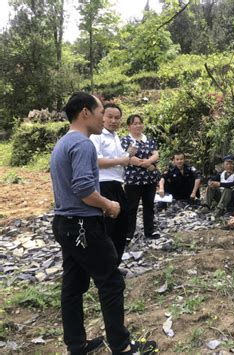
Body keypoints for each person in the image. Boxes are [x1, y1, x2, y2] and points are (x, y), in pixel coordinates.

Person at [50, 92, 156, 354]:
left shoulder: (63, 143)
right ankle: (122, 346)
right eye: (101, 113)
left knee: (73, 285)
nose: (104, 118)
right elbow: (85, 189)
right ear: (85, 112)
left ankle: (76, 345)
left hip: (64, 223)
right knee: (111, 281)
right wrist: (109, 205)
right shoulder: (84, 144)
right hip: (84, 226)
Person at [90, 103, 137, 264]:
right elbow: (96, 161)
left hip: (117, 184)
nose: (113, 121)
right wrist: (122, 159)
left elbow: (120, 162)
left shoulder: (115, 137)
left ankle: (114, 265)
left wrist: (127, 155)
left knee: (122, 225)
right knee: (108, 227)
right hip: (103, 184)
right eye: (109, 116)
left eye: (117, 118)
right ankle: (105, 267)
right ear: (102, 117)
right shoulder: (97, 135)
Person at [121, 114, 159, 239]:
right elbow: (129, 158)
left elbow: (156, 154)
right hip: (133, 181)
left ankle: (150, 231)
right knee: (131, 208)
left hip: (150, 180)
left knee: (149, 206)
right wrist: (147, 164)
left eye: (140, 123)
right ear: (129, 126)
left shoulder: (148, 139)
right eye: (134, 123)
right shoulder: (126, 140)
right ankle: (128, 234)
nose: (138, 125)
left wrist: (148, 162)